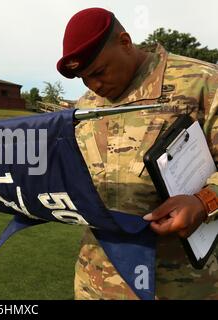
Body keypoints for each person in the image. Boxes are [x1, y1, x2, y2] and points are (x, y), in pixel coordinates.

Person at [56, 8, 218, 299]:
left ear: (125, 42)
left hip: (180, 286)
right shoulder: (85, 107)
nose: (94, 85)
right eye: (83, 78)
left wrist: (203, 202)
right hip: (96, 283)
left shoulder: (201, 83)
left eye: (99, 72)